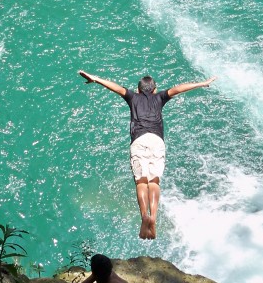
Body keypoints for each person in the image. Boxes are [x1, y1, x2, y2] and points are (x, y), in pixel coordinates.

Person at [78, 69, 216, 239]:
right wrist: (202, 83)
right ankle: (154, 218)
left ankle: (144, 216)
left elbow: (115, 88)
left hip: (139, 141)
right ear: (155, 89)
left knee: (141, 182)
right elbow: (179, 88)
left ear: (138, 90)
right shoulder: (160, 97)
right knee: (154, 182)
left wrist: (96, 79)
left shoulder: (132, 97)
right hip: (157, 141)